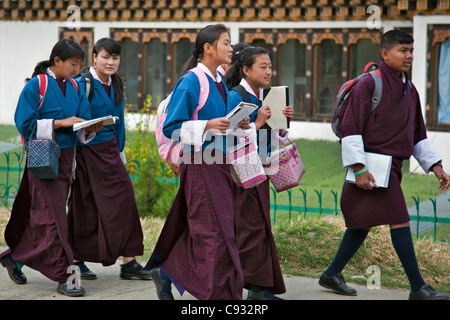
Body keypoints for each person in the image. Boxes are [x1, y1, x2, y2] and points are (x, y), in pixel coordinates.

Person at [318, 30, 450, 300]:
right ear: (385, 53)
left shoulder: (408, 88)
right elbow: (351, 128)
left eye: (411, 51)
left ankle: (331, 274)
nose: (409, 56)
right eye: (403, 50)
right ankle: (418, 288)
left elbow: (417, 133)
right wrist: (359, 169)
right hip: (370, 168)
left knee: (361, 224)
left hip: (391, 169)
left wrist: (435, 165)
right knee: (400, 220)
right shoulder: (369, 84)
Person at [144, 24, 244, 300]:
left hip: (219, 163)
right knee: (210, 233)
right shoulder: (192, 81)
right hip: (199, 164)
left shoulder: (220, 81)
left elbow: (220, 125)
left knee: (218, 230)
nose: (230, 48)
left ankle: (167, 273)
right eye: (225, 43)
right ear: (208, 48)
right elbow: (171, 127)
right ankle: (214, 294)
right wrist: (207, 124)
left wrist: (236, 121)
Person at [0, 39, 102, 297]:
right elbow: (24, 123)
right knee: (54, 217)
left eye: (80, 65)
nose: (77, 69)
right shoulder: (37, 86)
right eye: (73, 64)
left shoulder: (76, 87)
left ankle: (15, 258)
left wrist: (89, 126)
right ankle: (64, 276)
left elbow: (82, 119)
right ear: (56, 61)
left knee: (48, 216)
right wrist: (58, 123)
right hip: (42, 156)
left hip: (67, 158)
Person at [67, 38, 151, 281]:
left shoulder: (116, 83)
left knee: (126, 200)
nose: (111, 62)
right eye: (105, 57)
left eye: (115, 58)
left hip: (111, 152)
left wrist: (121, 152)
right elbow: (73, 120)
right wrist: (72, 160)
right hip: (87, 152)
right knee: (85, 206)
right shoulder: (82, 83)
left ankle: (129, 260)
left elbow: (120, 121)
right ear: (94, 57)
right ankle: (76, 259)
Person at [224, 46, 291, 300]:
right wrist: (259, 121)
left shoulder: (263, 95)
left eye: (270, 66)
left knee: (260, 225)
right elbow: (229, 135)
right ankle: (256, 289)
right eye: (262, 67)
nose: (268, 71)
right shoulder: (236, 95)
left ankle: (257, 288)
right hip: (243, 169)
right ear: (246, 70)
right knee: (251, 227)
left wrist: (283, 123)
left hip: (261, 165)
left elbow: (271, 135)